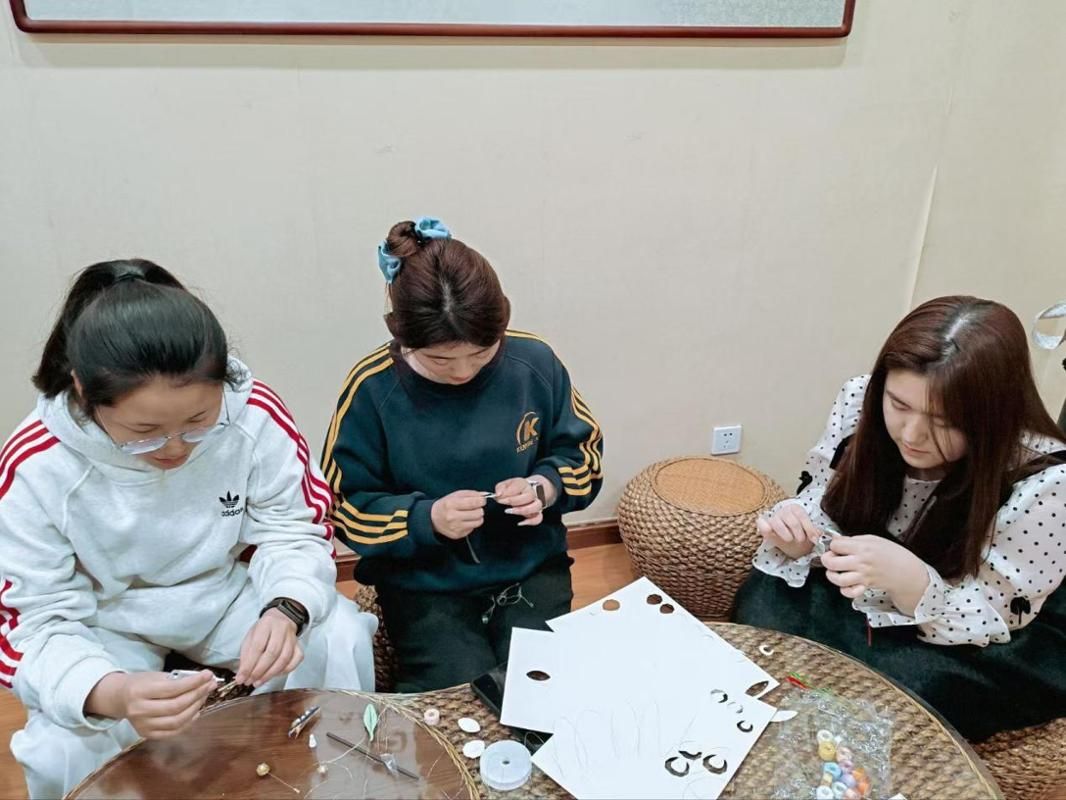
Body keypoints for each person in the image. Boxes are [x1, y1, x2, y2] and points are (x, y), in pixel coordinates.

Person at [0, 259, 377, 798]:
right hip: (107, 620)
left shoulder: (252, 414)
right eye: (144, 432)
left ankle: (344, 783)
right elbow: (34, 622)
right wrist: (111, 691)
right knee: (58, 748)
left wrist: (287, 608)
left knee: (339, 634)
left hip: (221, 593)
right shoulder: (39, 464)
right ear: (84, 392)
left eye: (199, 422)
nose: (175, 449)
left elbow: (295, 528)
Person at [733, 295, 1066, 740]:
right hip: (870, 586)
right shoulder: (862, 401)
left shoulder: (1045, 480)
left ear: (993, 416)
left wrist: (915, 586)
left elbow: (999, 611)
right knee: (763, 601)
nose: (912, 435)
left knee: (912, 691)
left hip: (971, 623)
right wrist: (801, 535)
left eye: (944, 422)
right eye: (899, 405)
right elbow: (824, 496)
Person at [322, 217, 603, 692]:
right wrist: (427, 518)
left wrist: (545, 487)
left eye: (482, 352)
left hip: (530, 568)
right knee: (461, 703)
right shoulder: (371, 389)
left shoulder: (533, 363)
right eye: (439, 359)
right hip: (425, 585)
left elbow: (583, 456)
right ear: (401, 336)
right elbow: (344, 506)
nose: (463, 372)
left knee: (543, 692)